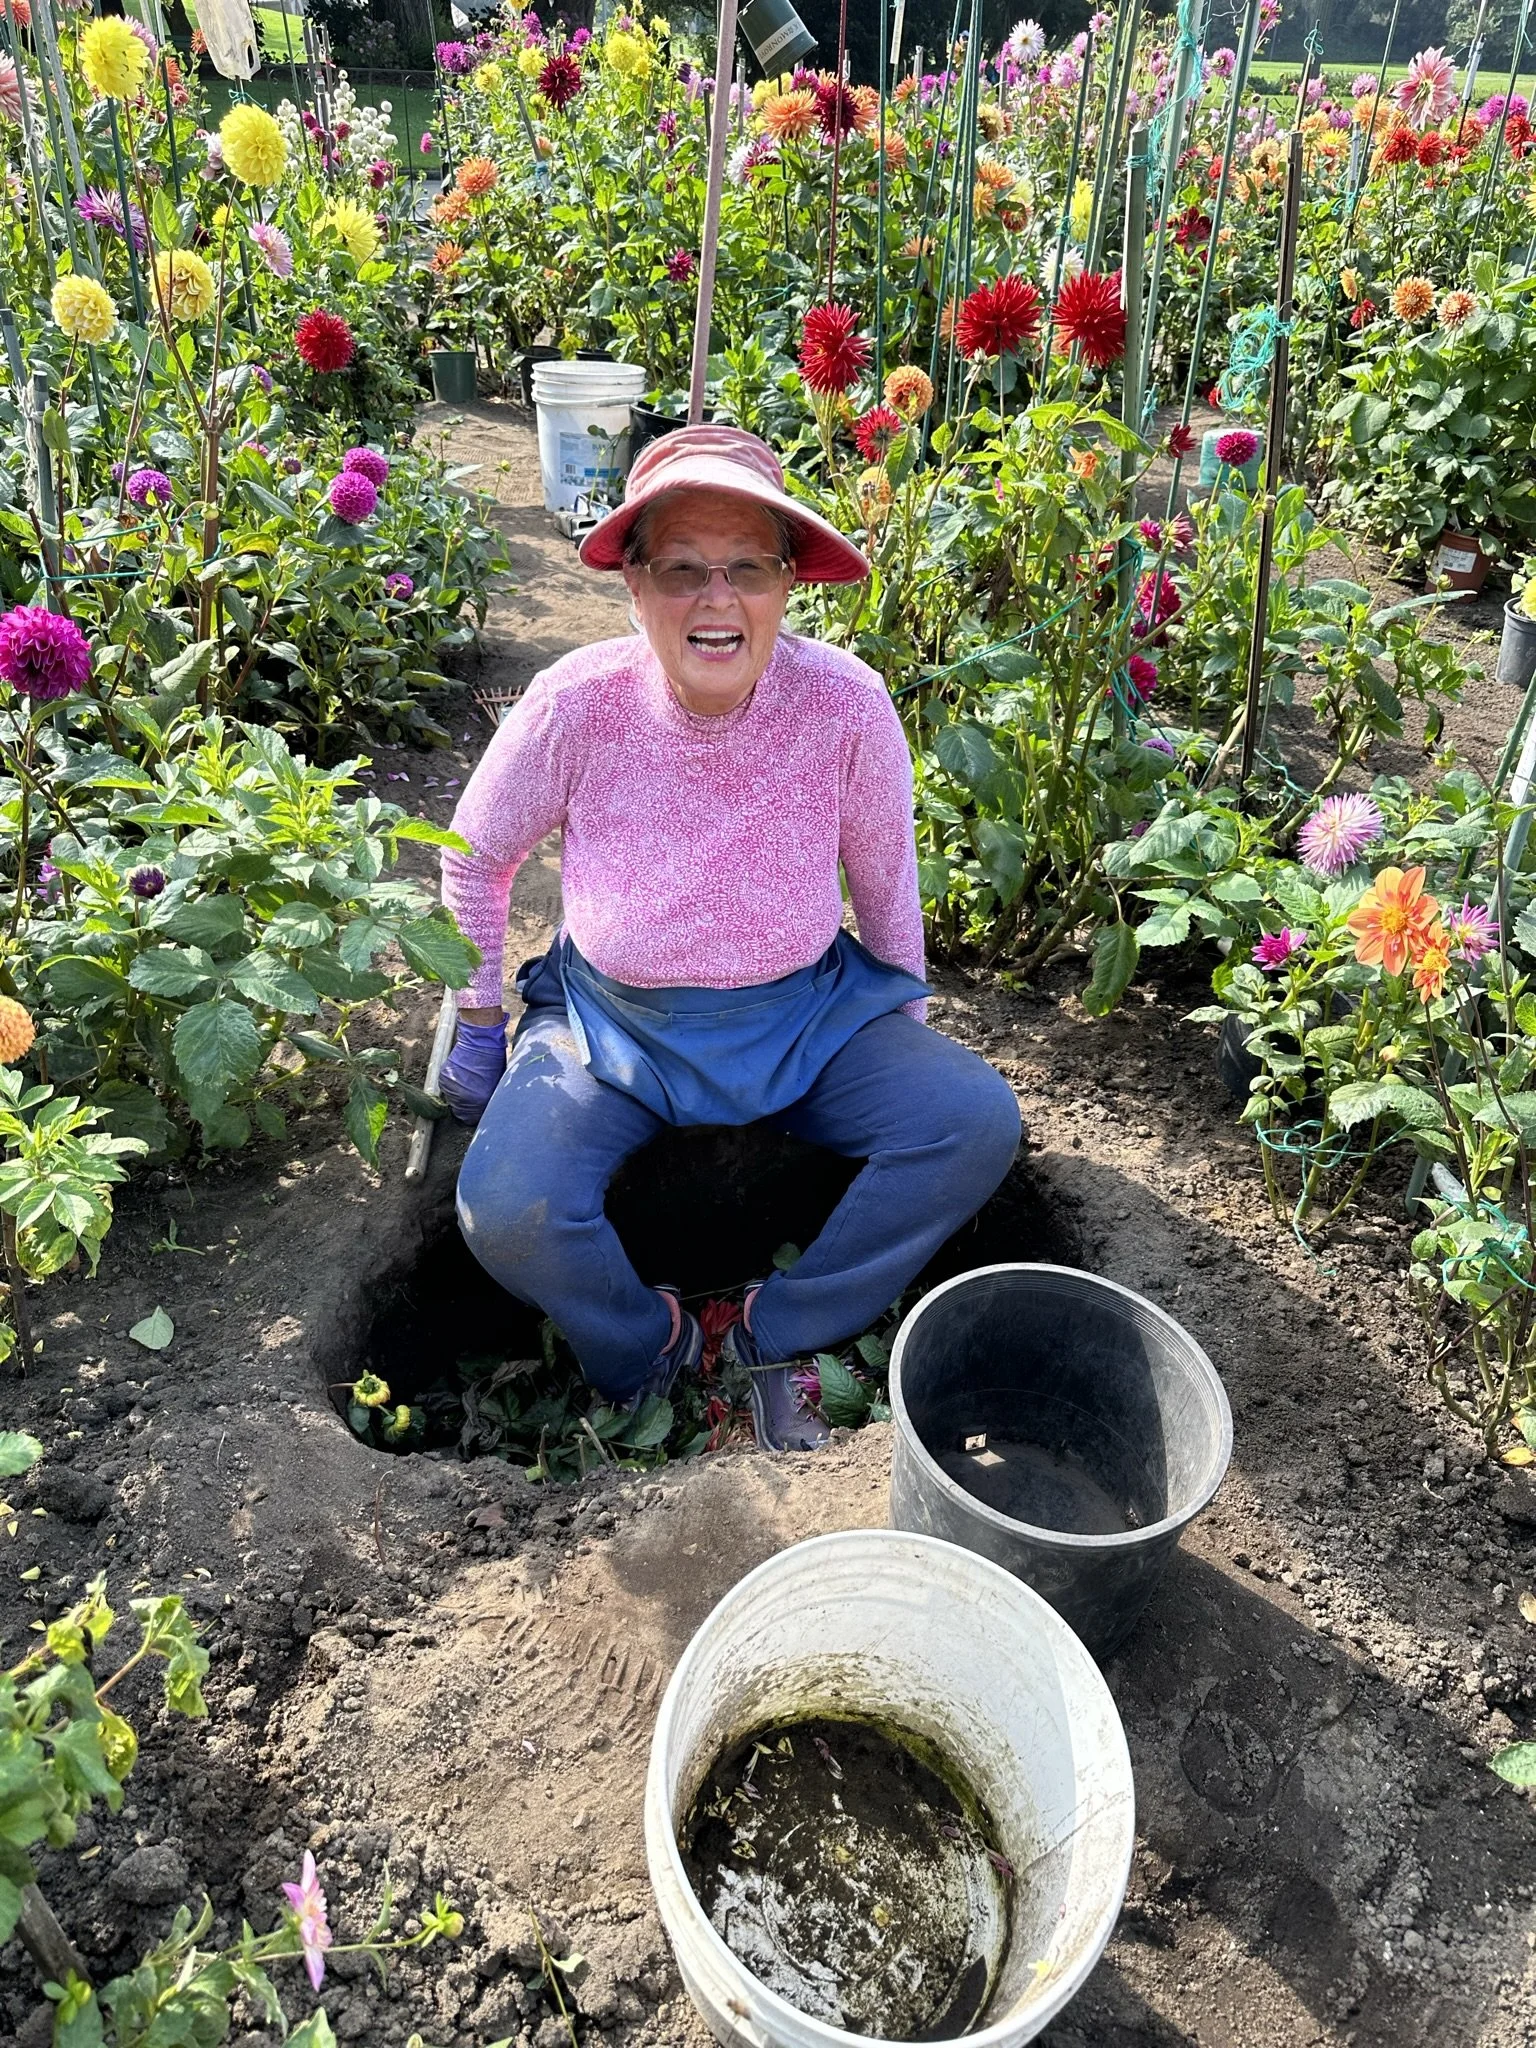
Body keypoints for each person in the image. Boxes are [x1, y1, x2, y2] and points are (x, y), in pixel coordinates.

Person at [440, 425, 1021, 1450]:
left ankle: (777, 1331)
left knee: (970, 1119)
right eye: (682, 569)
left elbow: (888, 885)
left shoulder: (845, 705)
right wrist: (481, 1021)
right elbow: (473, 857)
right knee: (507, 1203)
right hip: (612, 1026)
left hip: (805, 1018)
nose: (717, 598)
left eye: (748, 567)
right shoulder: (575, 704)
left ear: (789, 582)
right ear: (633, 584)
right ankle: (646, 1347)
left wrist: (910, 1035)